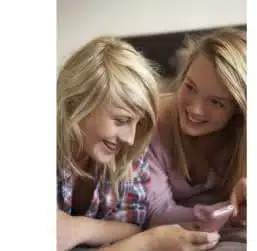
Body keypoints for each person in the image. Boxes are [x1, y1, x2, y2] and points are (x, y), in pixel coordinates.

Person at [57, 36, 220, 251]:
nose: (130, 139)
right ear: (78, 104)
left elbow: (133, 225)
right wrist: (149, 242)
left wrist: (81, 228)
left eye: (137, 123)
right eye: (122, 120)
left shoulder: (127, 155)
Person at [145, 28, 247, 250]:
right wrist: (231, 210)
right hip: (170, 235)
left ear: (238, 109)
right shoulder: (150, 124)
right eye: (190, 87)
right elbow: (155, 214)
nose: (195, 109)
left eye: (216, 102)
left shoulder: (244, 133)